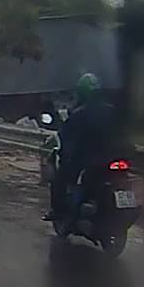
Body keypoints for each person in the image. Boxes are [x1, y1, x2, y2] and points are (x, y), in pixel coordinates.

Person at [44, 73, 121, 222]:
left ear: (82, 93)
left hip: (90, 160)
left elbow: (66, 138)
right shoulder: (113, 110)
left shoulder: (80, 113)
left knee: (60, 176)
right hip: (116, 157)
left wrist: (65, 154)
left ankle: (58, 211)